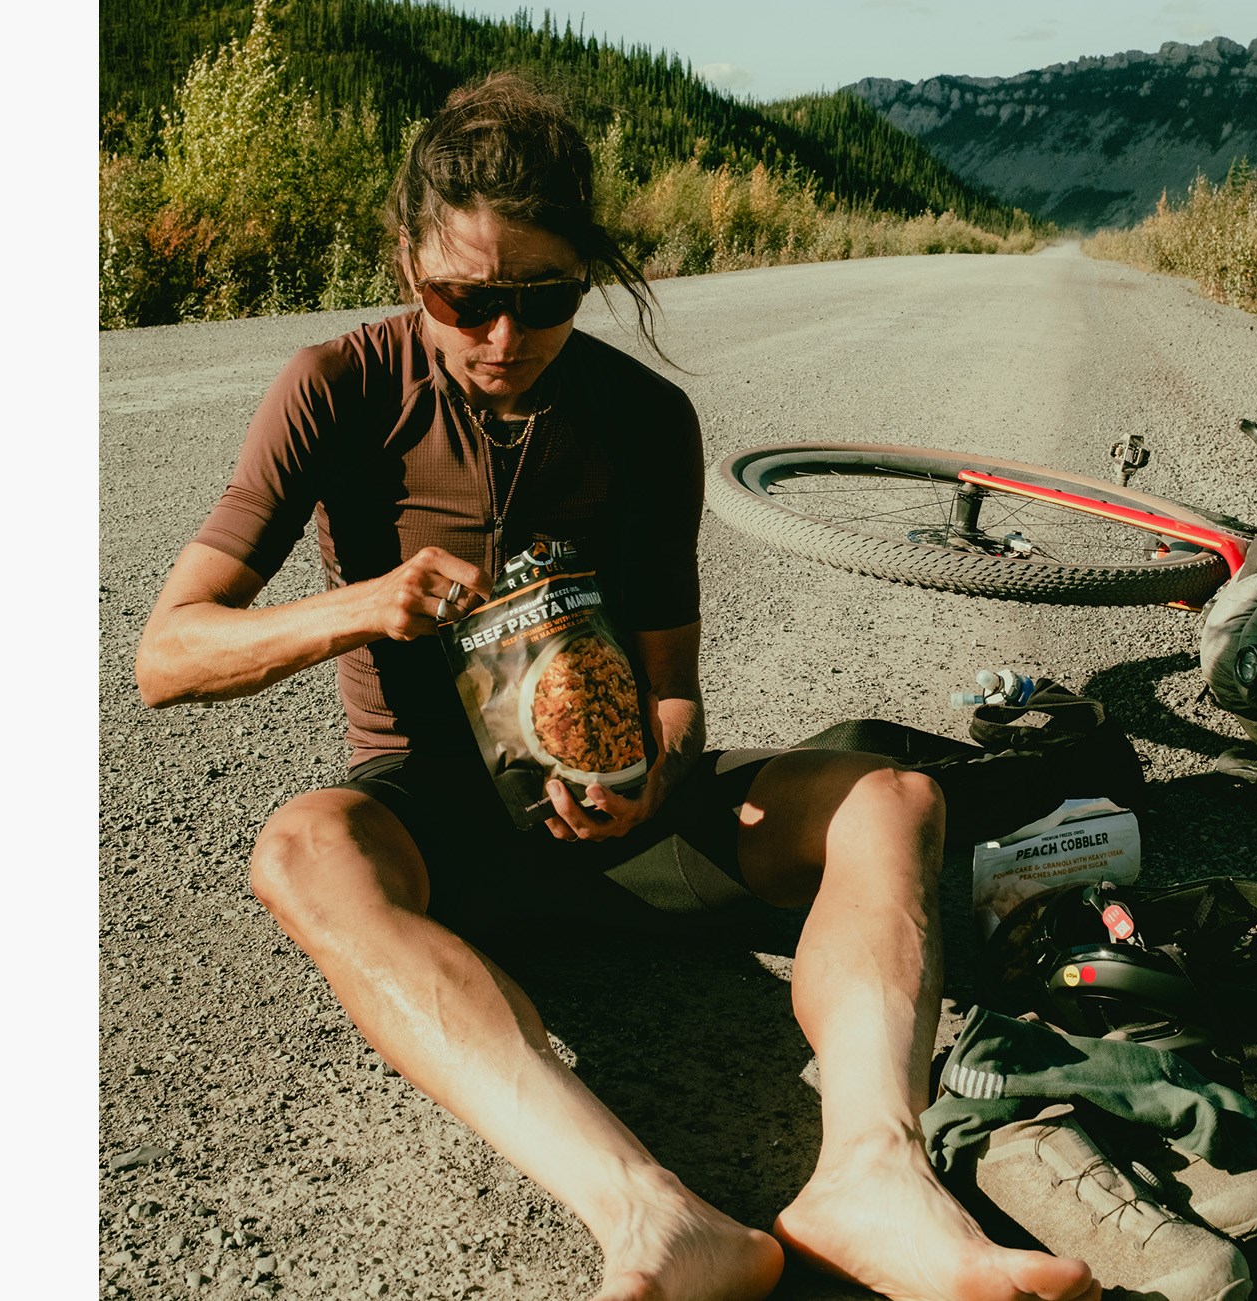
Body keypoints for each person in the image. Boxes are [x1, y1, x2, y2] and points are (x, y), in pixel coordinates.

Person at [130, 73, 1098, 1301]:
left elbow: (674, 686)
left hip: (626, 822)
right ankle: (648, 1212)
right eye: (464, 298)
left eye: (542, 298)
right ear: (406, 262)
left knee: (893, 797)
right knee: (301, 847)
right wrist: (358, 605)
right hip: (438, 828)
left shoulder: (643, 416)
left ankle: (875, 1176)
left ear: (586, 272)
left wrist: (652, 769)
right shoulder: (339, 385)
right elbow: (169, 653)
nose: (500, 336)